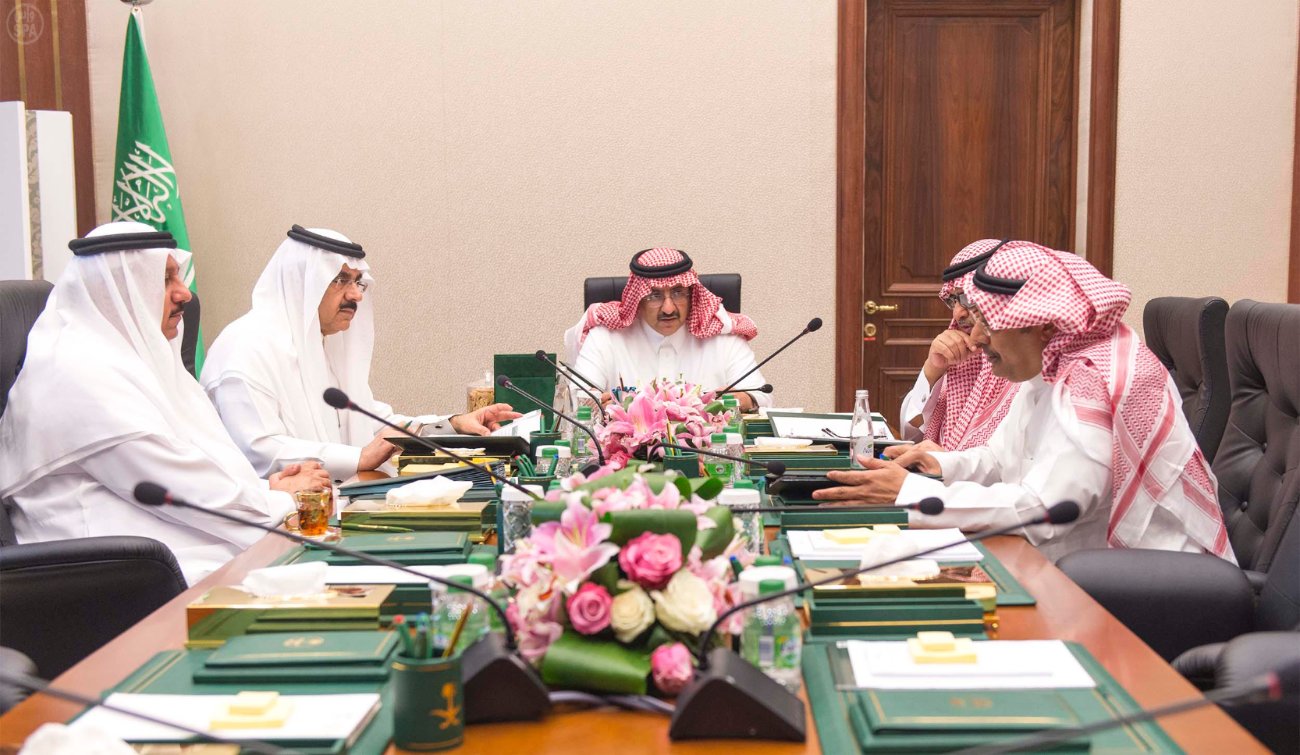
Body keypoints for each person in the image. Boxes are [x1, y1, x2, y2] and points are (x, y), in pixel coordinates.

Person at [815, 241, 1234, 563]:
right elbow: (1000, 459)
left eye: (988, 323)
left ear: (1043, 327)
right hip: (1068, 565)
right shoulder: (1049, 370)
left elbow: (1044, 509)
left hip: (1145, 587)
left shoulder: (1095, 380)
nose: (976, 338)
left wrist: (909, 493)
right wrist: (937, 466)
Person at [0, 223, 331, 584]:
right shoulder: (74, 372)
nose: (184, 293)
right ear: (117, 291)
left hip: (167, 545)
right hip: (107, 572)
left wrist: (266, 489)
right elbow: (176, 487)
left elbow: (189, 461)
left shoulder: (130, 359)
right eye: (164, 279)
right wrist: (281, 498)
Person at [201, 226, 520, 480]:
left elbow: (374, 425)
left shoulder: (320, 347)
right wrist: (358, 458)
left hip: (332, 505)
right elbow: (259, 451)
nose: (356, 295)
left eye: (357, 282)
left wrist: (453, 424)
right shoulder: (245, 349)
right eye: (340, 280)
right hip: (270, 524)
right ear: (302, 282)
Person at [567, 248, 772, 410]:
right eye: (654, 296)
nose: (668, 308)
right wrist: (597, 405)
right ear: (637, 300)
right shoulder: (605, 337)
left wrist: (743, 399)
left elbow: (762, 396)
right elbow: (578, 398)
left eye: (678, 293)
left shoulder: (724, 339)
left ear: (692, 294)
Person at [897, 239, 1018, 451]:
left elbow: (1001, 461)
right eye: (953, 300)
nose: (957, 313)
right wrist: (932, 370)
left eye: (967, 298)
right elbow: (911, 435)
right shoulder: (961, 357)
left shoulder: (1023, 368)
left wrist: (945, 461)